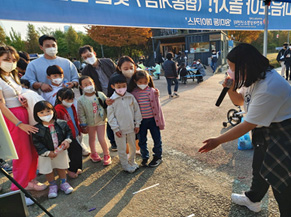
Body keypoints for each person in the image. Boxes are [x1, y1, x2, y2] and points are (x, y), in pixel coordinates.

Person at [199, 43, 291, 216]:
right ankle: (253, 199)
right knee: (259, 168)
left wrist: (218, 140)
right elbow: (241, 101)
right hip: (265, 132)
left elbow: (248, 124)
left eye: (233, 68)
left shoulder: (270, 86)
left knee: (283, 182)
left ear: (245, 66)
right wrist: (230, 88)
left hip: (283, 135)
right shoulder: (253, 78)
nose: (230, 72)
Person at [0, 45, 46, 206]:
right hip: (14, 120)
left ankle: (30, 180)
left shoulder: (10, 76)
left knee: (32, 151)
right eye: (6, 60)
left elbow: (16, 94)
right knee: (21, 154)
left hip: (23, 114)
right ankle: (17, 190)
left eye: (13, 60)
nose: (10, 63)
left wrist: (24, 100)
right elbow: (2, 106)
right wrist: (20, 124)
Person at [32, 101, 74, 199]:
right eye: (41, 112)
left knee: (61, 167)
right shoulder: (37, 129)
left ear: (53, 111)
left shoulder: (61, 123)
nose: (46, 114)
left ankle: (64, 183)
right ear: (36, 114)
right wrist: (46, 152)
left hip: (60, 151)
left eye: (48, 111)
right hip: (45, 155)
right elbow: (37, 143)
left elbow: (68, 132)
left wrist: (67, 141)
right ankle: (52, 185)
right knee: (48, 170)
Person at [107, 74, 142, 173]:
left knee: (132, 146)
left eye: (124, 86)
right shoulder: (111, 100)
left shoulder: (130, 97)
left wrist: (137, 124)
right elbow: (110, 116)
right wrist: (115, 129)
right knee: (122, 148)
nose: (121, 89)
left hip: (131, 127)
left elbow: (136, 111)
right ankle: (125, 164)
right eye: (118, 87)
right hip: (119, 130)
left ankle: (132, 161)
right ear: (113, 87)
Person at [130, 70, 165, 167]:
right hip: (141, 122)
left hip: (153, 120)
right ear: (135, 81)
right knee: (142, 140)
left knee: (157, 139)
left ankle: (158, 156)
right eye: (140, 82)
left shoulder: (152, 91)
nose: (143, 84)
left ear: (148, 81)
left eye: (145, 82)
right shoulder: (134, 93)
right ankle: (144, 157)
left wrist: (160, 121)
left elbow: (158, 108)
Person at [77, 76, 111, 165]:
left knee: (101, 138)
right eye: (85, 84)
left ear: (94, 83)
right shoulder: (81, 100)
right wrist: (83, 124)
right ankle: (93, 153)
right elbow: (81, 113)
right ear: (81, 87)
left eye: (90, 83)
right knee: (92, 138)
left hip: (101, 121)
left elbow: (107, 105)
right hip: (89, 123)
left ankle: (106, 154)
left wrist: (109, 117)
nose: (88, 86)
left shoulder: (100, 94)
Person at [55, 88, 83, 178]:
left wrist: (78, 130)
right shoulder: (58, 110)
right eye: (68, 99)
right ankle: (71, 170)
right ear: (60, 98)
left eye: (72, 99)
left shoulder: (71, 107)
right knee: (75, 151)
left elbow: (75, 120)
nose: (70, 101)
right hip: (66, 136)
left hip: (73, 133)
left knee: (74, 152)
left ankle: (74, 169)